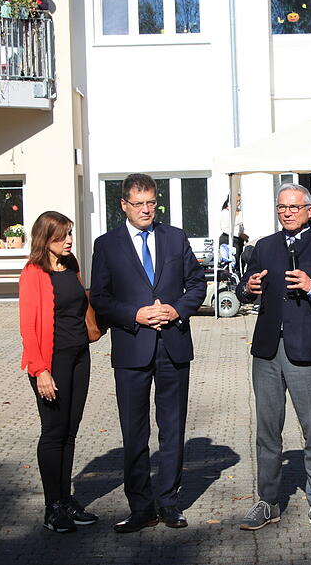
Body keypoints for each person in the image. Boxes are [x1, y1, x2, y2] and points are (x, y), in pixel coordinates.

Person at [90, 173, 207, 534]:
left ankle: (169, 502)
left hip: (172, 346)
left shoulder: (174, 238)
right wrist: (134, 314)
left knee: (172, 430)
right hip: (131, 346)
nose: (146, 210)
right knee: (134, 433)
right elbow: (100, 298)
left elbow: (197, 284)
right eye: (138, 203)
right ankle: (141, 506)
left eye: (152, 203)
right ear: (123, 205)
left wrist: (176, 309)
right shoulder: (106, 245)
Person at [235, 183, 311, 534]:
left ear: (309, 210)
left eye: (293, 207)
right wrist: (248, 288)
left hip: (307, 350)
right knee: (267, 430)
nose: (286, 213)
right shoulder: (265, 246)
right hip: (268, 350)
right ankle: (267, 501)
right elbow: (244, 287)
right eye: (281, 207)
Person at [19, 211, 98, 534]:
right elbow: (28, 327)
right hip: (51, 362)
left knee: (70, 431)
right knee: (53, 433)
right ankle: (52, 507)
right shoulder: (33, 273)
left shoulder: (71, 265)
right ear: (45, 238)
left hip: (80, 356)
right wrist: (41, 371)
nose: (68, 241)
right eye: (62, 236)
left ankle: (66, 500)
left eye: (69, 234)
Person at [219, 195, 248, 271]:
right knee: (231, 262)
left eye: (239, 201)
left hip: (239, 240)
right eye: (236, 201)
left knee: (240, 261)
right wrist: (239, 234)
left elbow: (240, 226)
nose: (238, 203)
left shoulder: (240, 211)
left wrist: (243, 234)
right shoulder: (226, 212)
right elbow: (224, 228)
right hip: (228, 239)